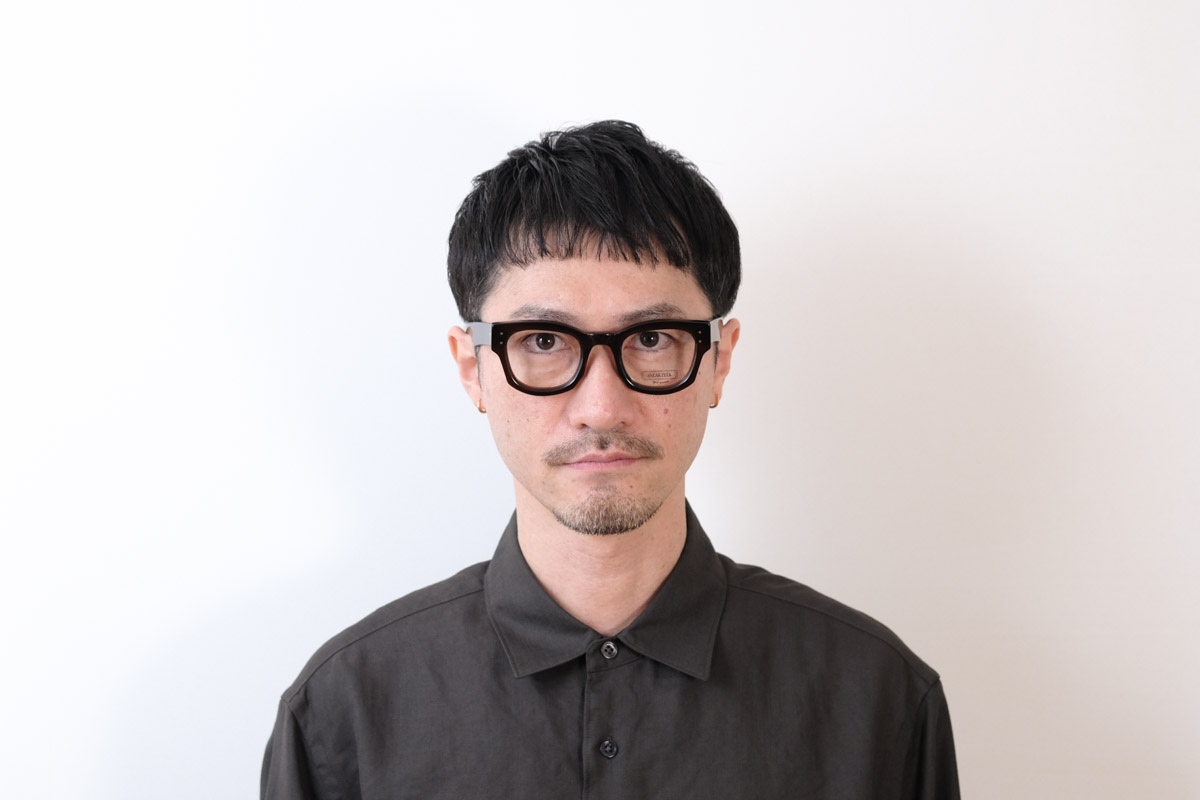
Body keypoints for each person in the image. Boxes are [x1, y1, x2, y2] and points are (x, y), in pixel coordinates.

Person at [261, 120, 960, 799]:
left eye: (652, 339)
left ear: (718, 361)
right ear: (472, 368)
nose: (601, 407)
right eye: (542, 341)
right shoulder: (345, 713)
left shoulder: (879, 700)